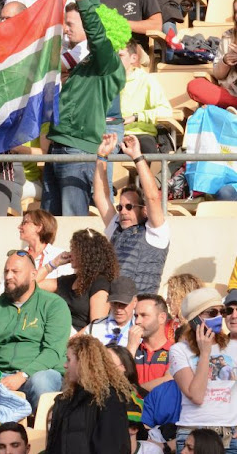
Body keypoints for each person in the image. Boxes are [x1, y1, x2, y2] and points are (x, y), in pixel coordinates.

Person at [41, 0, 128, 217]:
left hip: (77, 150)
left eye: (71, 23)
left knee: (72, 222)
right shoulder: (87, 62)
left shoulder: (108, 64)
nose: (66, 28)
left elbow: (98, 36)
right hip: (59, 146)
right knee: (49, 224)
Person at [0, 250, 71, 411]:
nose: (9, 276)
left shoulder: (54, 304)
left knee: (42, 382)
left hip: (39, 373)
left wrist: (22, 375)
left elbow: (53, 351)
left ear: (33, 274)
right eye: (6, 271)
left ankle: (42, 433)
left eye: (15, 271)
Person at [94, 134, 170, 294]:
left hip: (141, 309)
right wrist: (102, 156)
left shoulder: (156, 232)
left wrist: (137, 156)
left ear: (144, 210)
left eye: (129, 206)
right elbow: (100, 196)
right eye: (120, 207)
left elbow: (152, 197)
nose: (123, 212)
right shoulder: (115, 228)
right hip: (114, 306)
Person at [170, 287, 237, 453]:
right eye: (212, 312)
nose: (220, 317)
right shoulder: (179, 350)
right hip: (192, 431)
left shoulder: (234, 347)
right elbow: (197, 396)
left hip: (228, 434)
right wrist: (205, 353)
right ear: (195, 318)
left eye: (222, 312)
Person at [45, 334, 133, 453]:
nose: (65, 365)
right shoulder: (63, 401)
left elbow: (112, 447)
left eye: (69, 359)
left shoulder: (109, 399)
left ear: (83, 362)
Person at [42, 228, 117, 332]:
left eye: (74, 250)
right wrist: (53, 263)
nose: (70, 253)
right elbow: (31, 285)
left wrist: (71, 343)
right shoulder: (68, 281)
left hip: (79, 343)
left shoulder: (100, 284)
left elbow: (96, 326)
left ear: (87, 254)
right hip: (56, 335)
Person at [118, 40, 173, 154]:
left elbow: (166, 111)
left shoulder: (147, 80)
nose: (115, 60)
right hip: (111, 134)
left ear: (133, 58)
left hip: (141, 133)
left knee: (146, 146)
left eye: (120, 55)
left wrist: (136, 117)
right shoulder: (104, 81)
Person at [188, 0, 237, 109]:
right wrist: (225, 62)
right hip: (230, 95)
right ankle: (233, 106)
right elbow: (218, 75)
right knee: (195, 86)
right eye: (236, 12)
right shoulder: (228, 36)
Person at [128, 293, 174, 391]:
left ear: (162, 318)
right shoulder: (132, 349)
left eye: (144, 315)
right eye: (136, 316)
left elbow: (169, 380)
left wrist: (135, 392)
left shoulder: (175, 350)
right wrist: (131, 348)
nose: (137, 321)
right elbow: (116, 381)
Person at [19, 210, 70, 289]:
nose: (19, 227)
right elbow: (3, 289)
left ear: (39, 227)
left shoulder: (61, 256)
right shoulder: (17, 257)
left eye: (24, 222)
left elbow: (65, 289)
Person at [85, 276, 139, 347]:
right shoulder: (95, 327)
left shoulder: (141, 330)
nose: (118, 309)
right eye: (114, 303)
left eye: (123, 304)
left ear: (135, 302)